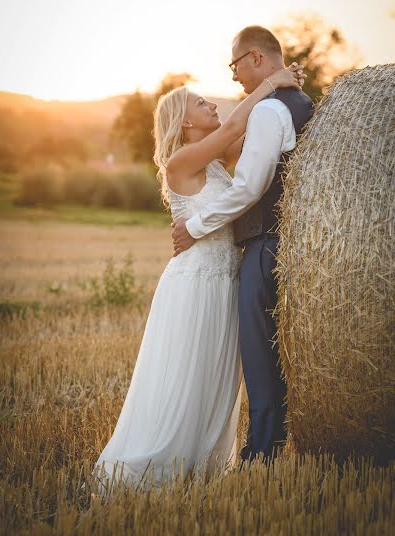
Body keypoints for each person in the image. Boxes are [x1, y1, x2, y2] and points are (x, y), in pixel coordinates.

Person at [91, 61, 305, 495]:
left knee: (216, 378)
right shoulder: (180, 162)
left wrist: (290, 93)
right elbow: (231, 134)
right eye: (201, 102)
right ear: (185, 120)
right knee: (187, 376)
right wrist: (271, 81)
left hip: (226, 283)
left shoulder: (219, 161)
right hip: (195, 284)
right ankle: (158, 467)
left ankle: (200, 469)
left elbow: (258, 144)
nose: (212, 104)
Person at [172, 25, 314, 464]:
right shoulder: (299, 104)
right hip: (274, 246)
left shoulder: (271, 112)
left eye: (234, 65)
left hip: (263, 246)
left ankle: (262, 453)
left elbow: (249, 186)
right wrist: (275, 81)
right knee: (262, 355)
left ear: (255, 57)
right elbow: (234, 130)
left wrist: (194, 226)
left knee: (259, 358)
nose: (232, 78)